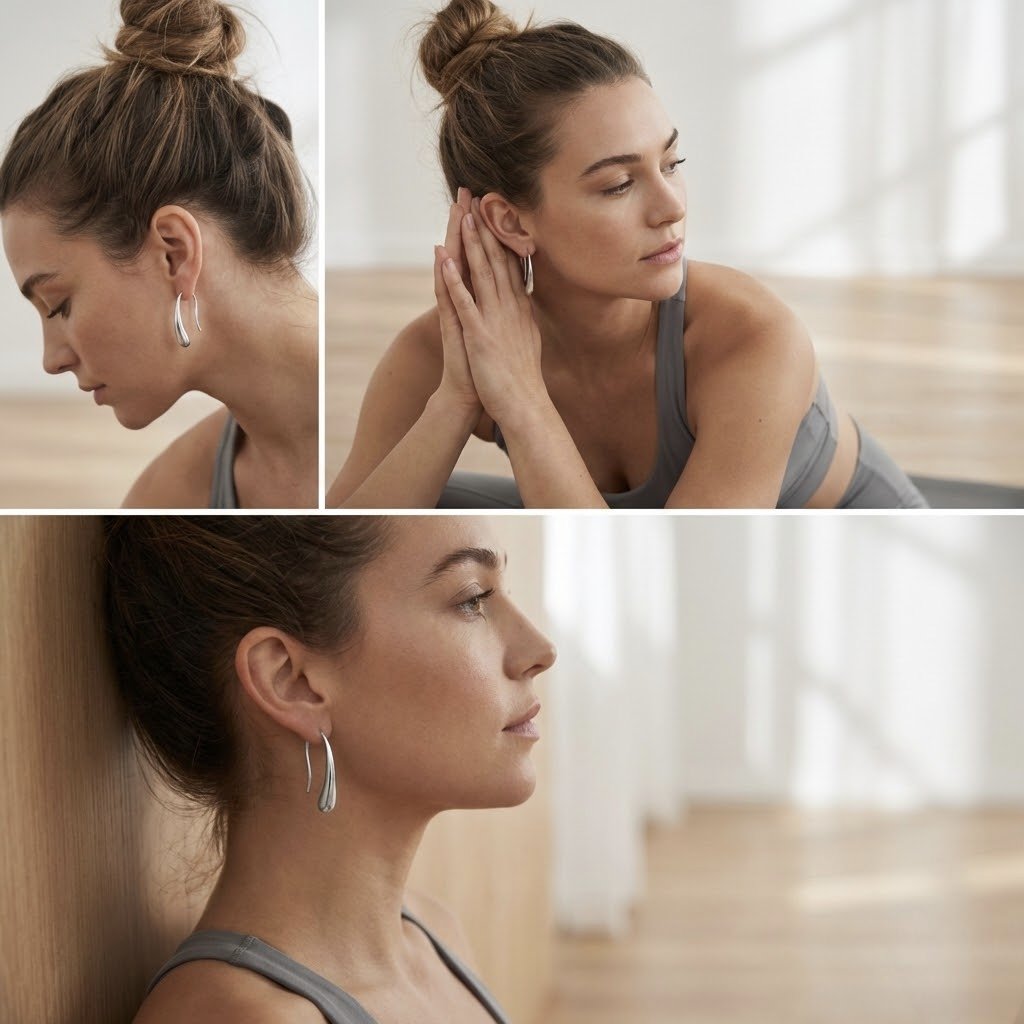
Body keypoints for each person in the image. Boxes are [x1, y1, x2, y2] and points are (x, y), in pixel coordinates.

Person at [329, 0, 927, 510]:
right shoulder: (440, 351)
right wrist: (457, 399)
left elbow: (663, 575)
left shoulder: (751, 334)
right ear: (509, 220)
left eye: (672, 163)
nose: (671, 206)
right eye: (618, 185)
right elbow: (332, 545)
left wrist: (522, 398)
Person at [105, 515, 556, 1023]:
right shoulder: (242, 1018)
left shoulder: (435, 935)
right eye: (472, 599)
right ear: (292, 681)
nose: (541, 650)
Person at [0, 0, 317, 509]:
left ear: (174, 253)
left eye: (58, 305)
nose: (51, 360)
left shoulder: (400, 414)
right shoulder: (173, 495)